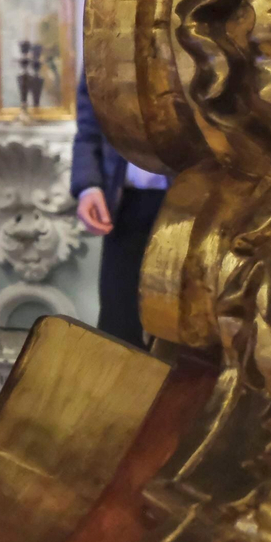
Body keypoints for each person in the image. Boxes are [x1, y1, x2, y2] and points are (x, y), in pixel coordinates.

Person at [71, 72, 168, 348]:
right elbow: (89, 131)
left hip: (188, 209)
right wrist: (89, 186)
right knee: (119, 331)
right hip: (127, 209)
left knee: (180, 333)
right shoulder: (106, 44)